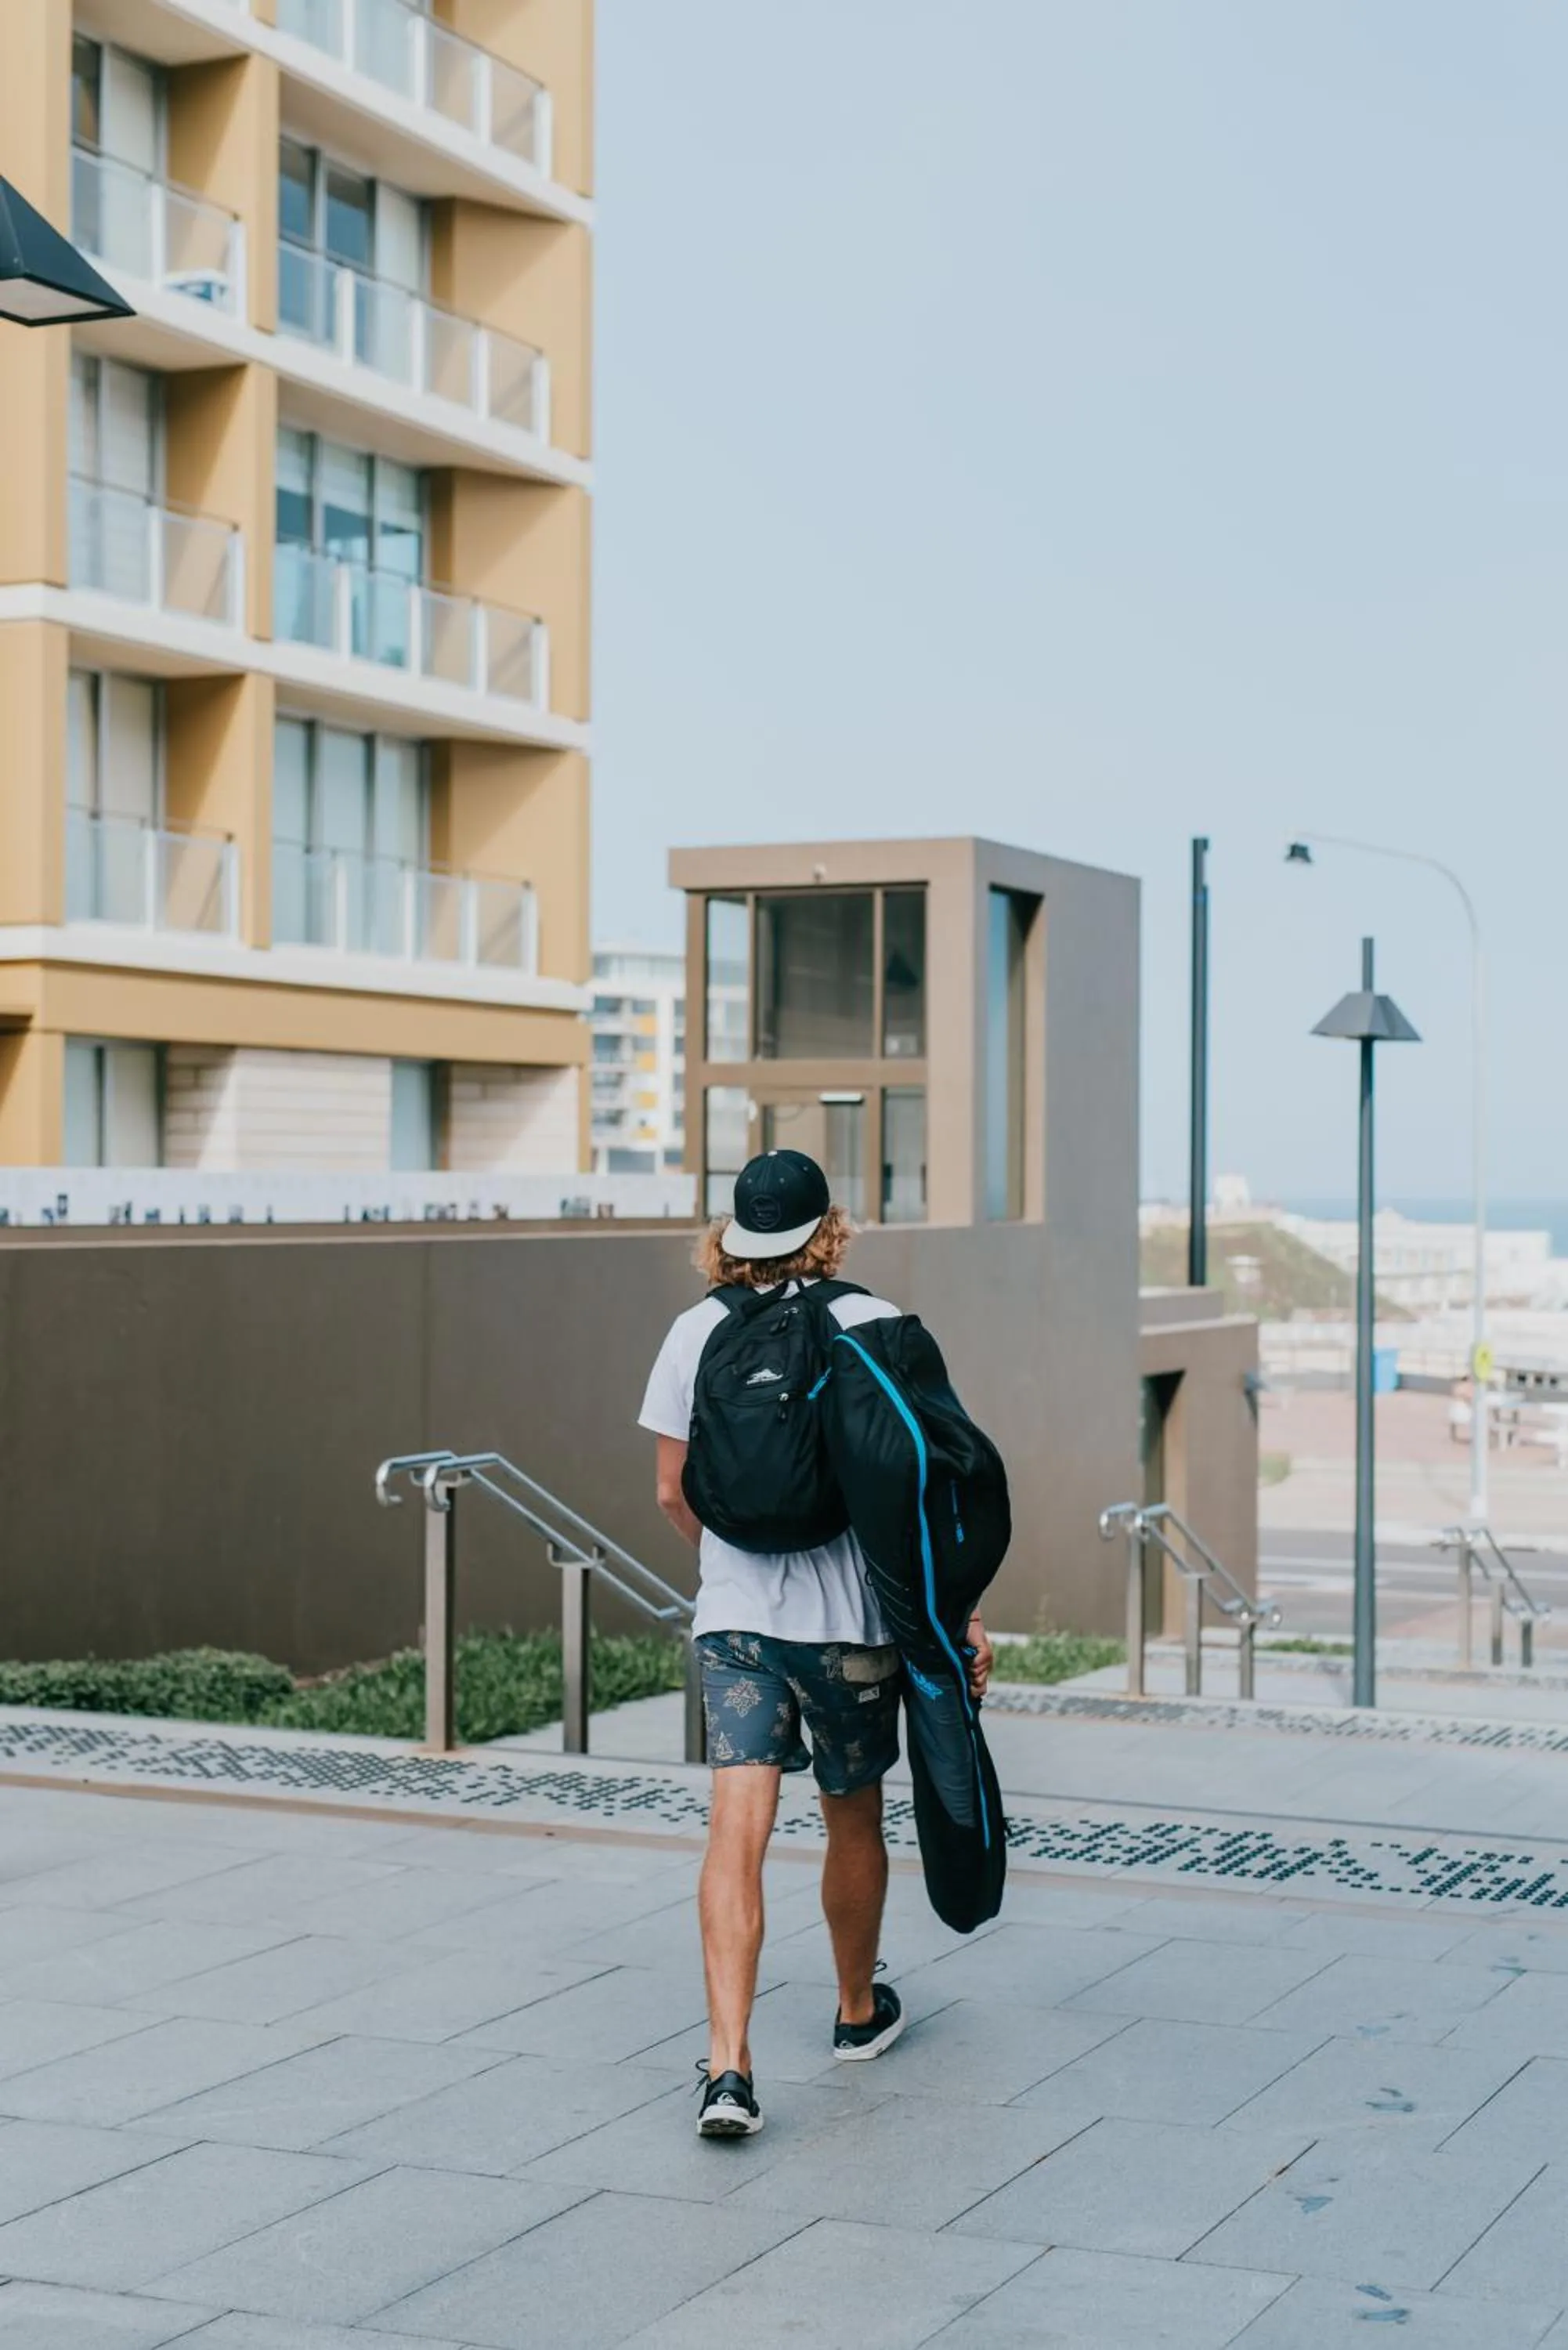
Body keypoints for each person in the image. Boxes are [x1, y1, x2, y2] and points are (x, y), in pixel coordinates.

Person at [639, 1147, 993, 2138]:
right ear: (827, 1230)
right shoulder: (873, 1324)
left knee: (733, 1837)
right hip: (851, 1633)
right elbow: (929, 1491)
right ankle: (852, 2012)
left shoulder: (692, 1330)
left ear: (732, 1236)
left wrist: (729, 1564)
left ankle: (727, 2069)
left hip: (738, 1626)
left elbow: (671, 1490)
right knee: (850, 1819)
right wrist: (954, 1612)